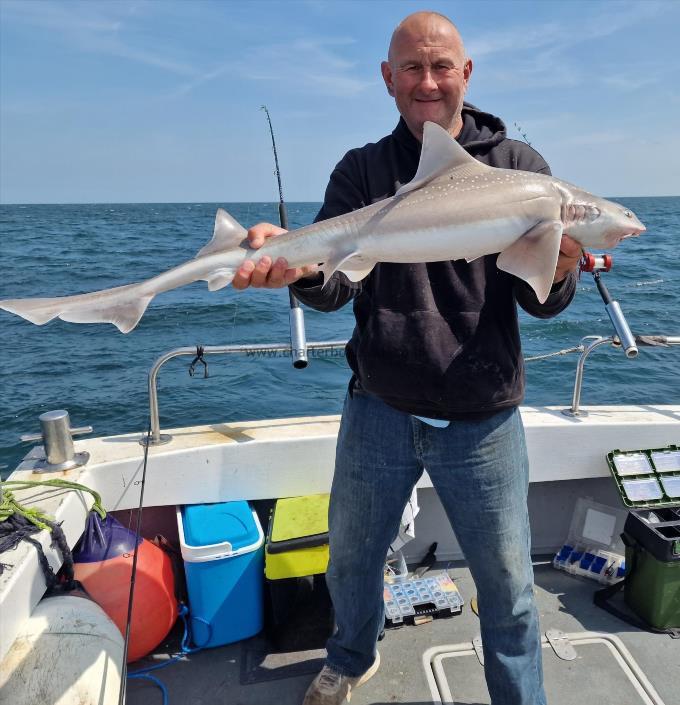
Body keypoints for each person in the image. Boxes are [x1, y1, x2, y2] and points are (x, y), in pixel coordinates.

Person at [233, 11, 581, 705]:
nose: (428, 82)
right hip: (379, 407)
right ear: (387, 78)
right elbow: (332, 288)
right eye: (412, 68)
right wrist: (296, 269)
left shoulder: (520, 169)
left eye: (441, 66)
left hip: (483, 418)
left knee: (510, 588)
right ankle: (349, 655)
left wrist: (563, 265)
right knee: (351, 561)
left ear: (467, 73)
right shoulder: (363, 170)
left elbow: (543, 305)